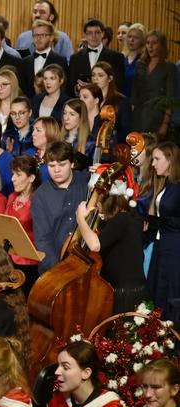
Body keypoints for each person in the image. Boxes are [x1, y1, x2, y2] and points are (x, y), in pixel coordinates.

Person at [76, 192, 151, 313]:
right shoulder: (132, 220)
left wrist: (80, 218)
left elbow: (95, 245)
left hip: (125, 296)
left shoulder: (121, 219)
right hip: (136, 291)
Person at [31, 141, 90, 274]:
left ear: (72, 164)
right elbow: (43, 240)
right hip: (54, 267)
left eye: (62, 165)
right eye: (51, 165)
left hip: (86, 260)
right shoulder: (40, 196)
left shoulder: (87, 181)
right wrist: (61, 270)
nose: (56, 170)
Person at [147, 142, 180, 319]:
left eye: (157, 159)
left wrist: (157, 221)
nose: (153, 164)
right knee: (157, 290)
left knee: (169, 292)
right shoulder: (166, 183)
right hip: (161, 244)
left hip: (174, 248)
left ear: (170, 160)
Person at [5, 156, 41, 292]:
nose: (12, 179)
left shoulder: (38, 200)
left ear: (31, 178)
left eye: (18, 175)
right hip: (9, 259)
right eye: (13, 174)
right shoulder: (12, 197)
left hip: (29, 262)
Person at [132, 30, 176, 137]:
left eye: (154, 43)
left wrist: (165, 124)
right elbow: (134, 91)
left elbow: (170, 98)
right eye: (148, 43)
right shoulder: (140, 64)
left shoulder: (169, 68)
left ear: (162, 45)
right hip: (138, 116)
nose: (150, 46)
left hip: (157, 118)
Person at [68, 18, 126, 95]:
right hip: (82, 100)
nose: (93, 36)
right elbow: (71, 85)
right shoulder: (75, 58)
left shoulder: (116, 57)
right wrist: (78, 88)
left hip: (107, 100)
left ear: (103, 34)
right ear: (85, 35)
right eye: (90, 33)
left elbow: (119, 84)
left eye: (97, 32)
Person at [19, 19, 69, 98]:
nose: (38, 38)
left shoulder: (60, 61)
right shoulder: (25, 62)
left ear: (51, 37)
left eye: (42, 35)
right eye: (36, 35)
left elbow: (64, 88)